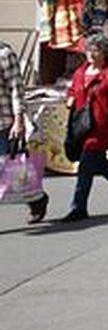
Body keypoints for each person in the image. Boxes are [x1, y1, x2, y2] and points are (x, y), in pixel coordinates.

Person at [62, 35, 108, 222]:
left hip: (102, 129)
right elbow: (72, 90)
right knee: (102, 167)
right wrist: (70, 98)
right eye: (89, 50)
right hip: (82, 127)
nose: (91, 54)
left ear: (104, 53)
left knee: (85, 167)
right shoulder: (79, 73)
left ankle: (78, 207)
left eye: (96, 50)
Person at [0, 39, 46, 223]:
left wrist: (18, 119)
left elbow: (16, 89)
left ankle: (37, 199)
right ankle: (36, 198)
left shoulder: (4, 54)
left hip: (3, 122)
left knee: (12, 170)